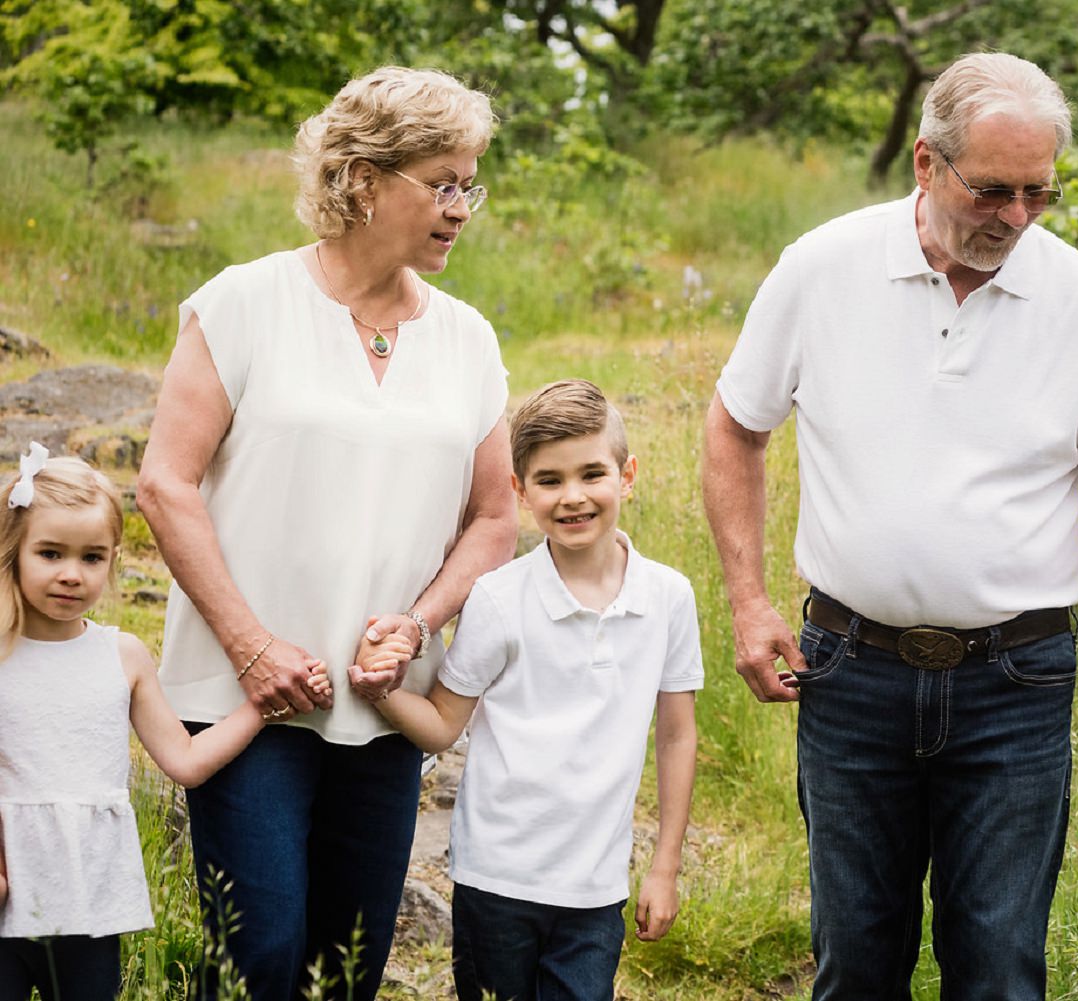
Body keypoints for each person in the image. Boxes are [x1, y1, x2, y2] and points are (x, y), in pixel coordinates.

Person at [702, 52, 1078, 999]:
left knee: (1001, 968)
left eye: (1039, 193)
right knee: (855, 959)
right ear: (926, 165)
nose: (1016, 216)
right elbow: (735, 424)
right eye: (994, 190)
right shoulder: (823, 268)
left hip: (1019, 683)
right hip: (849, 668)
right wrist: (749, 601)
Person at [135, 66, 517, 1000]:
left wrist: (418, 625)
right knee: (258, 957)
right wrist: (253, 647)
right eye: (443, 181)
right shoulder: (244, 302)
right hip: (247, 701)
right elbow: (164, 482)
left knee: (349, 967)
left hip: (387, 703)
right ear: (360, 180)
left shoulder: (468, 338)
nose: (461, 205)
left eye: (472, 182)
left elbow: (496, 515)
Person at [316, 379, 701, 1001]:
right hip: (496, 878)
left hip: (595, 887)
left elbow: (678, 736)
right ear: (521, 492)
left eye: (592, 474)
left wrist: (665, 867)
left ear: (627, 475)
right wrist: (379, 688)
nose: (572, 497)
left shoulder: (668, 598)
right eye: (549, 480)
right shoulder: (498, 598)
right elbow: (444, 724)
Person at [0, 444, 270, 999]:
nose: (72, 574)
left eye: (91, 557)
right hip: (6, 883)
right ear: (13, 551)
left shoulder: (122, 656)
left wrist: (261, 707)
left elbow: (185, 761)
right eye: (50, 554)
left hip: (89, 893)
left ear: (113, 560)